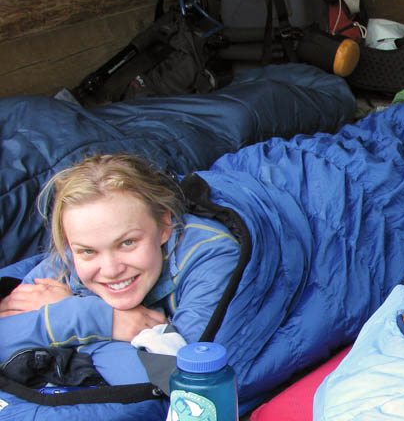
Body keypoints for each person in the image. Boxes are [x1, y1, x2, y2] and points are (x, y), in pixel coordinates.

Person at [0, 154, 240, 359]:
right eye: (87, 251)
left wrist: (81, 318)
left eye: (127, 243)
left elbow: (181, 376)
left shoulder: (212, 257)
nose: (111, 269)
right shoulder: (71, 255)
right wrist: (89, 314)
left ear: (164, 226)